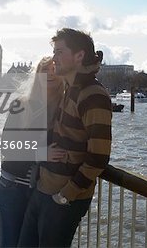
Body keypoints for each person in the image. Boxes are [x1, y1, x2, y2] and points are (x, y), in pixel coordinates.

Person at [18, 28, 112, 247]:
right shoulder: (71, 89)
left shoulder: (93, 95)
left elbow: (98, 156)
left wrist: (65, 195)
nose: (54, 58)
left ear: (79, 56)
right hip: (44, 189)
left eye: (59, 52)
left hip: (61, 198)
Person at [0, 56, 65, 247]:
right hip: (14, 188)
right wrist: (40, 153)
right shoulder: (22, 104)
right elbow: (6, 146)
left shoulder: (64, 108)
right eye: (44, 70)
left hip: (41, 191)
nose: (50, 74)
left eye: (54, 69)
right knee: (12, 242)